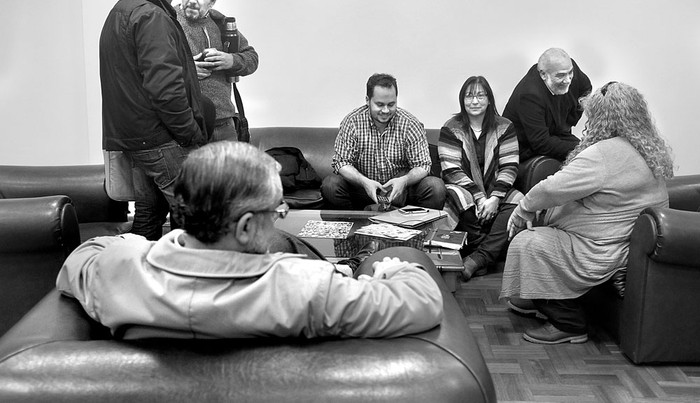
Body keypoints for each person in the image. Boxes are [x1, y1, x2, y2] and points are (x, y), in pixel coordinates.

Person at [56, 141, 444, 339]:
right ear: (243, 228)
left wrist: (138, 247)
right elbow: (422, 302)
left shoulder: (117, 270)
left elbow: (82, 256)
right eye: (277, 210)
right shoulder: (303, 287)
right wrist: (396, 266)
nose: (282, 216)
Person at [501, 82, 673, 345]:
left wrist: (524, 208)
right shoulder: (646, 147)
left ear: (602, 117)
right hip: (623, 243)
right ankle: (538, 295)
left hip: (600, 249)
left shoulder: (604, 153)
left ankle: (568, 323)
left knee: (528, 242)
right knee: (540, 231)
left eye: (592, 116)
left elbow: (553, 187)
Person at [100, 0, 213, 241]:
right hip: (161, 139)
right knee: (195, 216)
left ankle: (139, 277)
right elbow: (165, 89)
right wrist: (190, 134)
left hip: (135, 139)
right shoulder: (152, 16)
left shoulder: (118, 12)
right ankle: (184, 278)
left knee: (149, 213)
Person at [438, 76, 523, 281]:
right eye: (469, 96)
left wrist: (494, 198)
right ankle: (483, 251)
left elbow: (510, 166)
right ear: (462, 100)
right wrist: (478, 196)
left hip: (496, 188)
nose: (474, 101)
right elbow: (451, 170)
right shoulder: (451, 127)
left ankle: (477, 259)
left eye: (480, 95)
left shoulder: (505, 126)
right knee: (459, 196)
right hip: (465, 188)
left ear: (489, 99)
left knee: (520, 201)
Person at [322, 73, 446, 210]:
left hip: (401, 190)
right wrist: (364, 182)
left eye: (391, 104)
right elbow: (341, 162)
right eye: (379, 104)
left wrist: (404, 181)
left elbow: (423, 165)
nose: (386, 110)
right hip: (363, 188)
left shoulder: (410, 123)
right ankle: (352, 226)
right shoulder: (352, 122)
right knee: (330, 185)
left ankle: (420, 229)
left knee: (435, 186)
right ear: (367, 100)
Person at [176, 0, 259, 142]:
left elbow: (252, 58)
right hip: (186, 125)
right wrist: (188, 71)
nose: (192, 0)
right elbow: (152, 68)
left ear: (212, 1)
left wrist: (231, 60)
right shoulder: (168, 21)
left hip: (224, 124)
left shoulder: (221, 24)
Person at [502, 48, 592, 162]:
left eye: (570, 73)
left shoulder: (567, 67)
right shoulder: (529, 95)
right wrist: (581, 149)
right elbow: (541, 143)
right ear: (544, 75)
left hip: (555, 134)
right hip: (524, 147)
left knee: (590, 152)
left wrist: (569, 121)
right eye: (560, 76)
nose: (568, 80)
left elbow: (586, 89)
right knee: (584, 153)